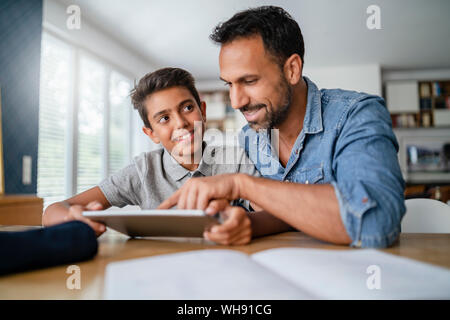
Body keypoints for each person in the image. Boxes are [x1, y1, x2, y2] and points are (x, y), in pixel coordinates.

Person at [159, 6, 406, 248]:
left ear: (292, 69)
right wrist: (246, 224)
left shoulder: (357, 115)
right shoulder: (249, 137)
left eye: (249, 81)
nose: (237, 102)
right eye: (229, 85)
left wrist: (242, 184)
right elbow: (281, 215)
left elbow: (376, 223)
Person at [43, 67, 259, 245]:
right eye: (164, 118)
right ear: (151, 133)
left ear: (202, 111)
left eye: (187, 107)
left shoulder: (236, 160)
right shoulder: (144, 170)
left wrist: (248, 222)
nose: (181, 123)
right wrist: (70, 218)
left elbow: (273, 212)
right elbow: (52, 211)